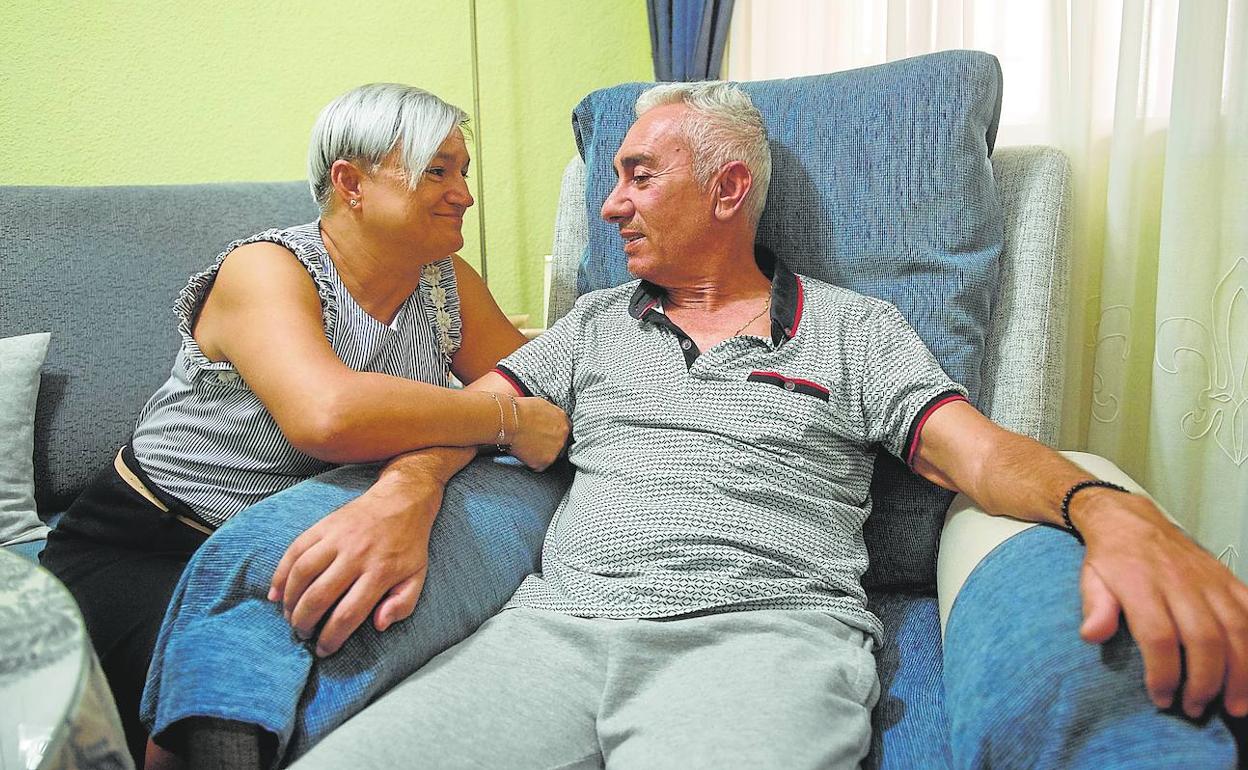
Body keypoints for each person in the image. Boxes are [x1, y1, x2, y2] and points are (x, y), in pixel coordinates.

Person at [162, 82, 1248, 769]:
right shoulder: (592, 324)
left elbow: (976, 451)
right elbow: (493, 414)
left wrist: (1106, 504)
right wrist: (406, 490)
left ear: (728, 188)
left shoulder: (856, 331)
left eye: (637, 175)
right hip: (552, 634)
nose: (609, 205)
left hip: (761, 643)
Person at [37, 82, 570, 768]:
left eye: (463, 171)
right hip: (145, 544)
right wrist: (502, 417)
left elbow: (546, 401)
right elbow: (329, 415)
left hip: (285, 546)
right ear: (350, 182)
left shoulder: (445, 285)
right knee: (244, 711)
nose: (464, 193)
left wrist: (433, 469)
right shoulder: (266, 269)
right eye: (438, 170)